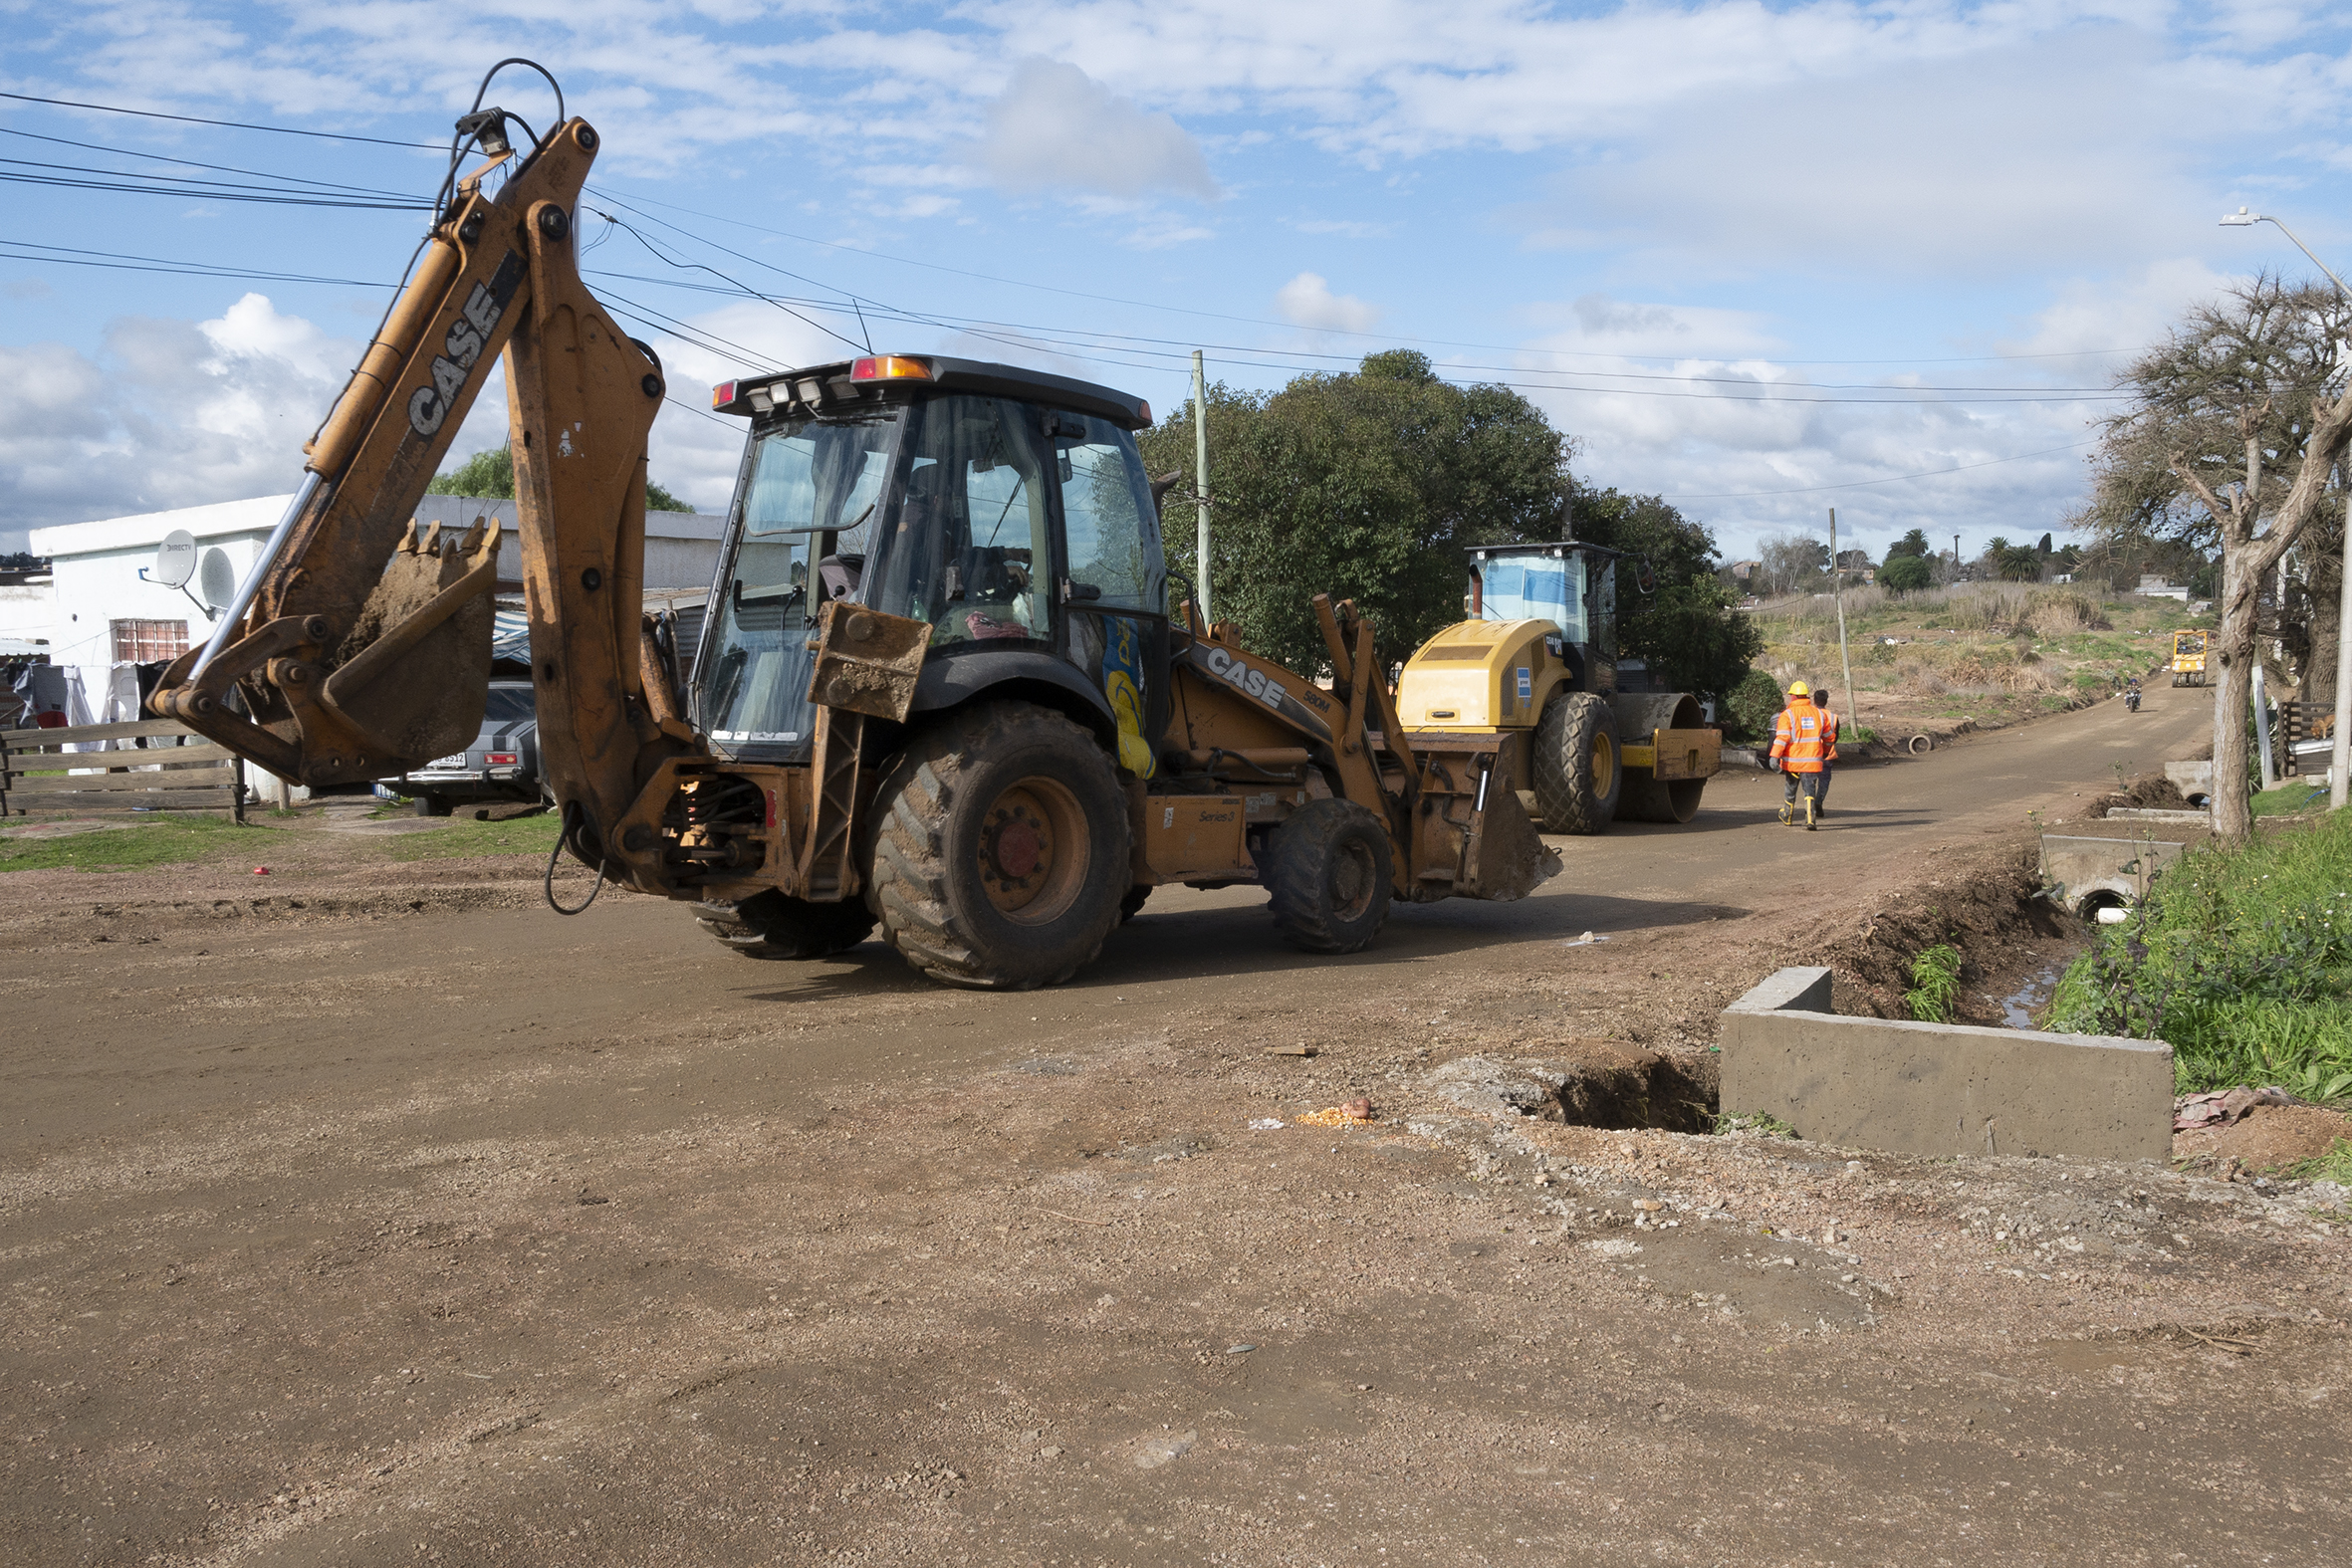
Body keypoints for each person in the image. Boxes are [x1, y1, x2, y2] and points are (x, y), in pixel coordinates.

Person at [1768, 679, 1831, 829]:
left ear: (1793, 697)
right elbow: (1829, 737)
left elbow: (1782, 737)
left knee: (1790, 788)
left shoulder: (1787, 715)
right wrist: (1826, 752)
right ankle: (1810, 819)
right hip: (1812, 761)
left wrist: (1774, 756)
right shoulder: (1819, 714)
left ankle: (1787, 816)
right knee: (1809, 789)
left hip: (1793, 761)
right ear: (1806, 696)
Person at [1810, 687, 1840, 817]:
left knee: (1810, 781)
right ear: (1826, 701)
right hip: (1827, 754)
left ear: (1814, 700)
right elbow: (1835, 736)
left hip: (1810, 753)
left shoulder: (1809, 715)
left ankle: (1809, 805)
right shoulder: (1833, 717)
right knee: (1824, 780)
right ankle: (1819, 802)